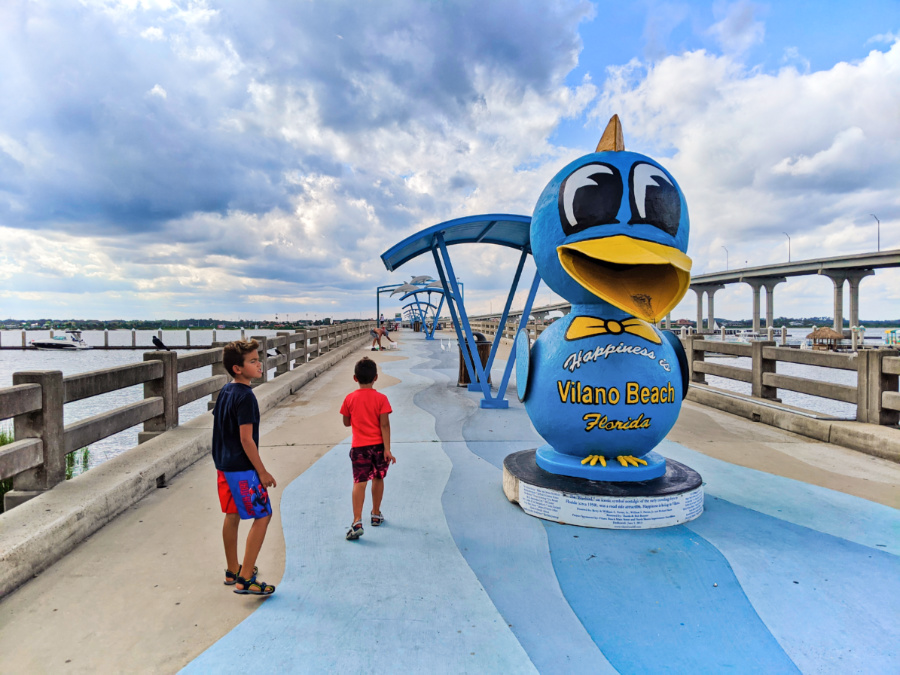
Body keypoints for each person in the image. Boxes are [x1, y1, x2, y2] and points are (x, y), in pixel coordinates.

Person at [212, 339, 277, 596]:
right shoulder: (247, 397)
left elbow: (220, 427)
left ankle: (232, 569)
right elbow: (246, 439)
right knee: (263, 516)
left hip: (223, 466)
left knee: (233, 515)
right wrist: (261, 471)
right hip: (242, 469)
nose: (259, 364)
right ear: (238, 368)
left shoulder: (226, 391)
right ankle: (246, 578)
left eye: (258, 359)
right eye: (252, 361)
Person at [340, 357, 396, 540]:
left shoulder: (349, 398)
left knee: (359, 482)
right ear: (376, 378)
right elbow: (385, 425)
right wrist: (387, 449)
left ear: (355, 378)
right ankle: (376, 514)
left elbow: (346, 422)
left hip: (359, 448)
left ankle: (357, 521)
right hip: (379, 447)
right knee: (378, 478)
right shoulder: (381, 398)